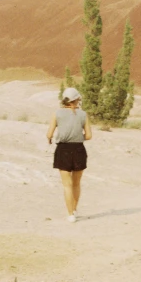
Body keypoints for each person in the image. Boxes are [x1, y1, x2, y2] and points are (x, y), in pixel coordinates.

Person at [46, 87, 92, 223]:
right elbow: (88, 135)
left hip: (63, 149)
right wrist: (78, 137)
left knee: (67, 184)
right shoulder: (83, 114)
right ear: (76, 100)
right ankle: (75, 209)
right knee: (76, 183)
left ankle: (70, 214)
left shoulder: (57, 113)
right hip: (79, 149)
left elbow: (49, 134)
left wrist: (50, 139)